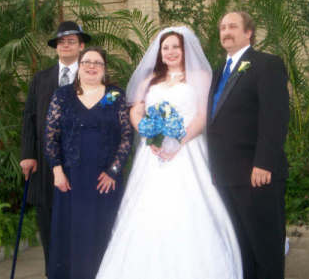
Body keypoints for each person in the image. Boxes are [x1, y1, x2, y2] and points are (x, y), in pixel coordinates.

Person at [95, 26, 242, 279]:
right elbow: (136, 110)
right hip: (152, 155)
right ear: (159, 53)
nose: (171, 52)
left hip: (188, 151)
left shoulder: (200, 77)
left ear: (185, 51)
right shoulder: (149, 80)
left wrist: (177, 142)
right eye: (166, 48)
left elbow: (203, 116)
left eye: (176, 47)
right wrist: (147, 132)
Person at [206, 11, 290, 279]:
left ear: (248, 32)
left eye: (232, 26)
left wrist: (264, 162)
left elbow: (275, 118)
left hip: (257, 174)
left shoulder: (267, 64)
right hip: (227, 175)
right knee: (242, 247)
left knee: (266, 245)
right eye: (222, 28)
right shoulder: (219, 70)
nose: (226, 32)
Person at [44, 46, 133, 279]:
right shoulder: (62, 96)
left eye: (97, 63)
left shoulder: (115, 95)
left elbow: (127, 136)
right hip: (71, 179)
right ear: (79, 67)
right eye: (87, 62)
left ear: (104, 69)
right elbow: (51, 136)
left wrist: (113, 171)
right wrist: (57, 171)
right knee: (72, 233)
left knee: (103, 231)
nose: (92, 66)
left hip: (104, 180)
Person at [20, 21, 91, 274]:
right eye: (61, 41)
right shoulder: (41, 79)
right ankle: (54, 271)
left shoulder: (92, 76)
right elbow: (29, 116)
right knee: (48, 220)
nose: (66, 45)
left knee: (77, 219)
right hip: (43, 162)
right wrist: (27, 155)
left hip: (80, 162)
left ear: (81, 46)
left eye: (71, 41)